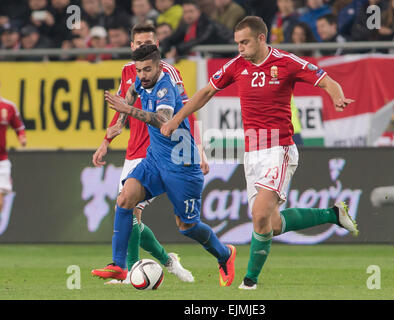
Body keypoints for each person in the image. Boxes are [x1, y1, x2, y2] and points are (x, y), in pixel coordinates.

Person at [161, 16, 359, 290]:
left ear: (261, 39)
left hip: (280, 150)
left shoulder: (286, 62)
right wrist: (175, 120)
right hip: (252, 153)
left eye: (245, 42)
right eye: (237, 43)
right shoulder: (237, 65)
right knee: (272, 223)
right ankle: (333, 215)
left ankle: (249, 282)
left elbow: (325, 79)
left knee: (259, 213)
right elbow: (206, 92)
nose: (240, 48)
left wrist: (336, 96)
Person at [92, 44, 236, 287]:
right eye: (139, 70)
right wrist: (120, 122)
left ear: (159, 66)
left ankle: (225, 254)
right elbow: (131, 90)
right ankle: (119, 266)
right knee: (125, 200)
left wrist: (128, 109)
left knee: (187, 226)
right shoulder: (142, 81)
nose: (142, 76)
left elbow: (164, 121)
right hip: (155, 160)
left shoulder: (165, 88)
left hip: (182, 165)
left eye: (147, 70)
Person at [159, 0, 233, 59]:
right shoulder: (185, 25)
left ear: (198, 12)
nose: (188, 15)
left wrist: (177, 50)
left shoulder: (207, 23)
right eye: (185, 12)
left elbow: (200, 39)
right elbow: (172, 39)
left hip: (228, 55)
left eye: (191, 11)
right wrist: (166, 50)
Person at [0, 82, 26, 212]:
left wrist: (21, 136)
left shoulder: (8, 107)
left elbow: (18, 126)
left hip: (1, 159)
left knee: (0, 197)